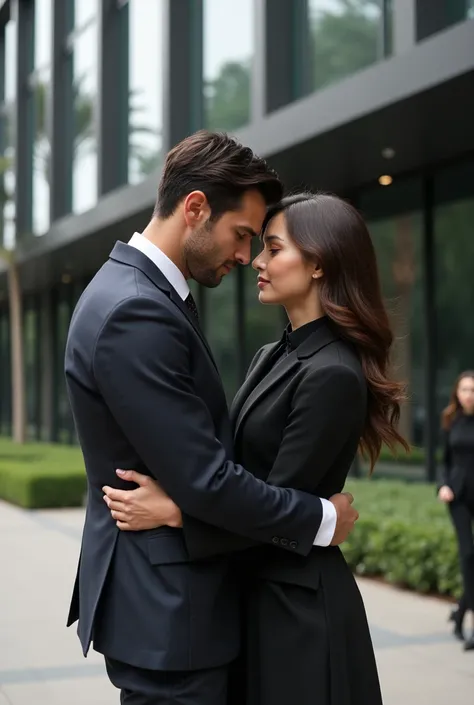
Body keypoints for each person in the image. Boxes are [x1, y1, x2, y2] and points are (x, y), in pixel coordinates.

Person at [65, 133, 359, 705]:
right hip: (173, 618)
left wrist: (180, 508)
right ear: (195, 208)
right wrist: (319, 519)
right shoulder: (137, 310)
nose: (246, 258)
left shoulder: (145, 295)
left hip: (176, 612)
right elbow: (208, 481)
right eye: (244, 236)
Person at [104, 192, 409, 704]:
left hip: (296, 612)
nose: (256, 262)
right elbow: (239, 473)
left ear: (318, 264)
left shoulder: (333, 373)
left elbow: (277, 509)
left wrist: (178, 514)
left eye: (272, 248)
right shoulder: (274, 353)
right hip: (253, 597)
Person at [438, 371, 474, 651]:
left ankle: (461, 612)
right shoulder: (451, 420)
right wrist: (443, 485)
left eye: (473, 390)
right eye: (464, 389)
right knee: (467, 554)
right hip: (459, 496)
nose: (469, 394)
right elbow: (445, 461)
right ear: (457, 393)